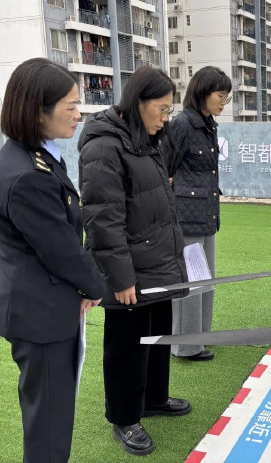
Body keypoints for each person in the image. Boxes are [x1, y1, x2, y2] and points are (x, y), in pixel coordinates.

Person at [0, 58, 106, 462]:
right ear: (39, 110)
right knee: (49, 427)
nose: (79, 113)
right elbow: (61, 249)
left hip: (45, 305)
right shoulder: (28, 174)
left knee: (50, 416)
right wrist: (95, 287)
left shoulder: (36, 155)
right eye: (70, 105)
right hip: (42, 316)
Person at [78, 67, 191, 456]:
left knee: (158, 335)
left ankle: (154, 399)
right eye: (161, 109)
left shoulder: (145, 139)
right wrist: (121, 278)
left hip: (156, 261)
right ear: (137, 102)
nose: (165, 118)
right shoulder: (104, 146)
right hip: (129, 270)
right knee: (127, 345)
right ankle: (125, 417)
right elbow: (102, 219)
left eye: (168, 111)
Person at [165, 66, 231, 361]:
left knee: (206, 282)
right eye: (220, 95)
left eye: (227, 97)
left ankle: (199, 340)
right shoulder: (182, 125)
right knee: (191, 284)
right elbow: (164, 167)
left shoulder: (208, 124)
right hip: (187, 217)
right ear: (203, 92)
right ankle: (185, 346)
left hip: (206, 216)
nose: (224, 102)